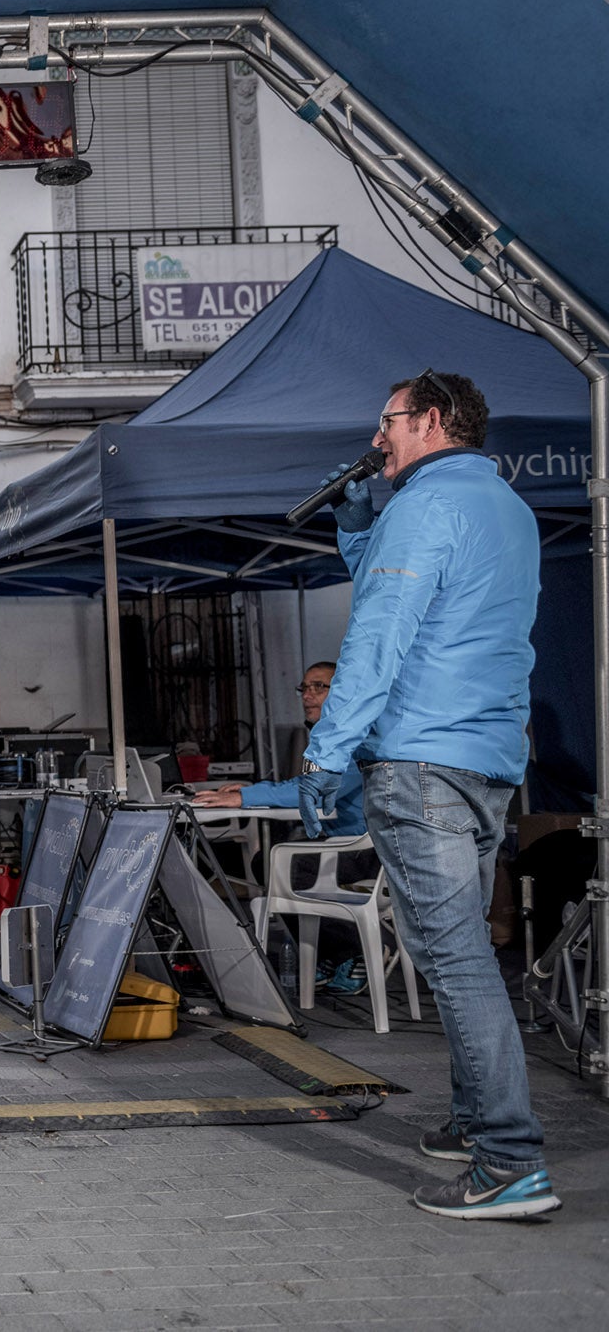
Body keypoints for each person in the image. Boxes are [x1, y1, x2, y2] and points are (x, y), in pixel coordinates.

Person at [302, 370, 555, 1220]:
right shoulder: (505, 509)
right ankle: (474, 1118)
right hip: (486, 760)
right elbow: (448, 607)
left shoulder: (425, 506)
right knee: (461, 950)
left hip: (423, 757)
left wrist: (322, 754)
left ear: (433, 421)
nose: (378, 439)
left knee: (455, 958)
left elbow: (378, 636)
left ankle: (509, 1160)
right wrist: (356, 537)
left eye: (389, 423)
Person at [201, 661, 373, 991]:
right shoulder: (330, 735)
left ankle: (355, 951)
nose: (307, 695)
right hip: (338, 841)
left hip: (365, 848)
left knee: (283, 867)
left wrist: (246, 797)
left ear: (343, 692)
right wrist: (251, 792)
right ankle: (330, 953)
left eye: (318, 687)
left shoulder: (354, 737)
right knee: (267, 862)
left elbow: (314, 787)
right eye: (304, 688)